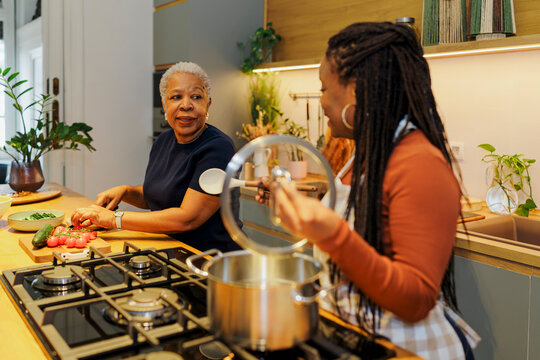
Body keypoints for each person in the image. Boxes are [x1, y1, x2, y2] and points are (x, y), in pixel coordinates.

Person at [266, 22, 480, 359]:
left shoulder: (420, 164)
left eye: (323, 88)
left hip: (407, 349)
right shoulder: (364, 152)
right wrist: (302, 215)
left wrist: (332, 234)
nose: (321, 102)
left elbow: (415, 300)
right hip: (357, 336)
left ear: (357, 90)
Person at [72, 61, 241, 252]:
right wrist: (126, 191)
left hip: (209, 260)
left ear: (208, 103)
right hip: (170, 251)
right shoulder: (164, 140)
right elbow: (160, 195)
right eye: (176, 97)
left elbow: (188, 219)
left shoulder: (219, 148)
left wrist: (114, 219)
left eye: (196, 96)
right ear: (164, 104)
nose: (186, 105)